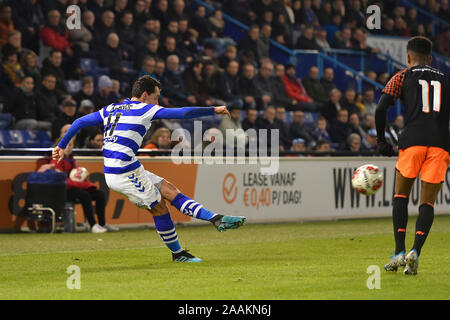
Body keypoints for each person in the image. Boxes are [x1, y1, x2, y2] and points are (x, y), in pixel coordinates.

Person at [52, 75, 246, 263]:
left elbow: (78, 122)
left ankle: (215, 218)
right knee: (159, 207)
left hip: (129, 166)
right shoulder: (144, 109)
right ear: (145, 95)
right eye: (156, 97)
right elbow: (183, 113)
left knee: (169, 189)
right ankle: (178, 253)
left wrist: (61, 145)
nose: (157, 101)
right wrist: (214, 110)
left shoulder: (111, 108)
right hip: (123, 173)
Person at [375, 36, 450, 275]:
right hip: (440, 145)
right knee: (427, 202)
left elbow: (380, 108)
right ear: (430, 58)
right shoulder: (447, 80)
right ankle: (415, 252)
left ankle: (398, 252)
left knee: (401, 196)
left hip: (412, 141)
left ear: (408, 57)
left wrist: (381, 140)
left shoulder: (402, 76)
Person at [51, 139, 118, 233]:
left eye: (70, 145)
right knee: (84, 195)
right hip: (62, 191)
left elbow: (78, 176)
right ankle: (93, 225)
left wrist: (87, 184)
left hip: (75, 188)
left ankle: (102, 224)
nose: (68, 147)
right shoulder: (56, 160)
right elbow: (63, 181)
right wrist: (84, 185)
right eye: (66, 145)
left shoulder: (72, 160)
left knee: (99, 194)